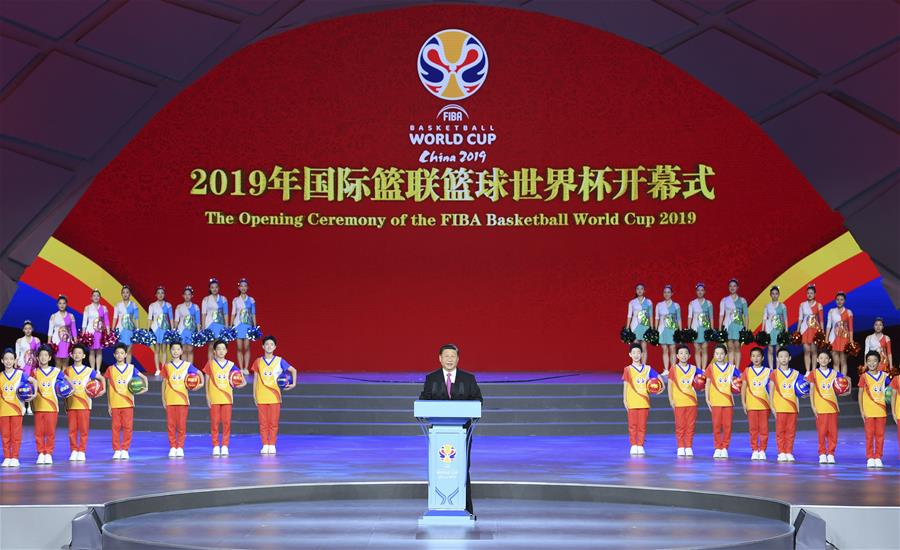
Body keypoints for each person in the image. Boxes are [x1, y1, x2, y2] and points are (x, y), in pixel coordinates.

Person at [419, 344, 482, 517]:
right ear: (440, 358)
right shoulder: (431, 378)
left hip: (462, 433)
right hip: (438, 434)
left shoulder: (468, 378)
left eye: (452, 356)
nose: (449, 359)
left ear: (457, 359)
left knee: (462, 469)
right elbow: (423, 401)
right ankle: (438, 506)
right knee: (440, 468)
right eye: (446, 356)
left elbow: (478, 401)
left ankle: (466, 509)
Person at [249, 336, 296, 455]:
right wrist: (254, 394)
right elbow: (255, 379)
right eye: (267, 344)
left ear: (275, 347)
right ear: (263, 346)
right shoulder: (258, 361)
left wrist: (293, 383)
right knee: (263, 423)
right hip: (261, 396)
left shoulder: (280, 361)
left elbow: (293, 370)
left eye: (271, 344)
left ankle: (272, 444)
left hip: (275, 396)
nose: (269, 346)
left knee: (273, 423)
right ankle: (265, 444)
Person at [104, 343, 149, 460]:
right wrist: (109, 404)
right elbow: (109, 387)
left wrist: (145, 388)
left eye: (122, 353)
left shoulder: (131, 368)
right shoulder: (110, 369)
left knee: (128, 427)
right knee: (115, 427)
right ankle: (116, 450)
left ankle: (125, 449)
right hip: (115, 403)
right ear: (114, 355)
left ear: (125, 355)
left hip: (128, 403)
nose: (119, 355)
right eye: (117, 353)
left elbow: (144, 377)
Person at [160, 342, 203, 458]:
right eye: (173, 349)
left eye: (178, 349)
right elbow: (164, 383)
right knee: (171, 425)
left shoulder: (187, 365)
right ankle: (172, 447)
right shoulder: (167, 366)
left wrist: (200, 384)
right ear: (170, 351)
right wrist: (163, 399)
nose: (175, 351)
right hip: (170, 400)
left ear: (181, 351)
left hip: (183, 400)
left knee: (181, 425)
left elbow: (199, 373)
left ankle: (180, 447)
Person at [203, 339, 245, 456]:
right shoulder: (210, 364)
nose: (221, 351)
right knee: (215, 423)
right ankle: (216, 446)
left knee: (226, 423)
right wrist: (207, 396)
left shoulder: (231, 365)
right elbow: (206, 381)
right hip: (214, 398)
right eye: (218, 349)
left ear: (226, 351)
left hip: (227, 398)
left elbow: (243, 381)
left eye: (223, 349)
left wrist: (235, 384)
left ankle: (225, 445)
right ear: (214, 351)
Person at [65, 343, 105, 461]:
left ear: (83, 356)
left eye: (79, 353)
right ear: (71, 355)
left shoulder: (89, 370)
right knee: (72, 430)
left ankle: (81, 450)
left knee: (83, 429)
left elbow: (101, 378)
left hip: (85, 404)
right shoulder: (67, 371)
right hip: (71, 404)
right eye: (75, 353)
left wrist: (103, 390)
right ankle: (73, 450)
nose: (77, 355)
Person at [806, 351, 847, 464]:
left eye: (826, 358)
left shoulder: (835, 373)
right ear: (817, 360)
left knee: (833, 433)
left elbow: (844, 384)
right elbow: (811, 391)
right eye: (821, 358)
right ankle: (822, 453)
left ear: (830, 360)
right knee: (821, 433)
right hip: (820, 408)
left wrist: (845, 389)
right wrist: (813, 406)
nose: (823, 360)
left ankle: (831, 454)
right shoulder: (813, 374)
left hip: (832, 408)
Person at [622, 342, 661, 456]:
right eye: (633, 353)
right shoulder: (627, 369)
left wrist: (659, 389)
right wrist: (624, 399)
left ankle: (640, 445)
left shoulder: (647, 369)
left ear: (642, 354)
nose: (636, 355)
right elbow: (625, 385)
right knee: (633, 425)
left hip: (644, 401)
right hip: (632, 401)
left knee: (642, 425)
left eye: (638, 352)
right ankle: (634, 445)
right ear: (630, 354)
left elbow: (658, 378)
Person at [32, 345, 69, 464]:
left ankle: (48, 453)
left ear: (49, 358)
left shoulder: (56, 371)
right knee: (38, 432)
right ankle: (40, 453)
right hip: (38, 406)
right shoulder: (34, 372)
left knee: (50, 432)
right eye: (41, 355)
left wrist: (69, 391)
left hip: (52, 407)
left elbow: (68, 381)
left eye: (45, 355)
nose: (43, 358)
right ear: (37, 358)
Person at [1, 348, 36, 468]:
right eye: (6, 359)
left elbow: (33, 381)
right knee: (5, 435)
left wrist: (34, 394)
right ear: (2, 361)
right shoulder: (0, 376)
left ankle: (15, 457)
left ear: (15, 360)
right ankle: (7, 457)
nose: (8, 361)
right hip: (3, 411)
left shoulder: (20, 374)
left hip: (17, 410)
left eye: (11, 359)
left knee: (16, 435)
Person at [705, 344, 738, 459]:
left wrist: (736, 384)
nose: (719, 356)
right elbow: (708, 383)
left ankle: (725, 448)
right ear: (714, 355)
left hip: (728, 401)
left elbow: (741, 379)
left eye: (721, 353)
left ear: (725, 355)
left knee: (727, 426)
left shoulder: (731, 368)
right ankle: (717, 447)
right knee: (716, 426)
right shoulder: (711, 367)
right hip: (715, 401)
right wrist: (707, 398)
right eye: (717, 353)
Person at [667, 344, 698, 457]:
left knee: (690, 425)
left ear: (689, 355)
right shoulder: (673, 369)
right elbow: (670, 385)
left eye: (686, 353)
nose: (683, 355)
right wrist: (671, 399)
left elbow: (704, 379)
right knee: (680, 426)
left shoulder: (694, 369)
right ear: (677, 356)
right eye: (681, 353)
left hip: (691, 402)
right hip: (679, 402)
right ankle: (680, 446)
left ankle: (689, 447)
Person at [769, 348, 800, 462]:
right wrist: (772, 406)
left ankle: (789, 452)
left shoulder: (796, 374)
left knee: (791, 431)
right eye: (781, 356)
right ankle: (781, 452)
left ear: (790, 358)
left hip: (792, 407)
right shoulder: (774, 374)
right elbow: (771, 391)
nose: (783, 359)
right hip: (780, 407)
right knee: (780, 431)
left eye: (785, 356)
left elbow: (802, 389)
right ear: (777, 358)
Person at [858, 351, 887, 468]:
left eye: (874, 361)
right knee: (869, 435)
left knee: (880, 435)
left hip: (881, 411)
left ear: (879, 362)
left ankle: (878, 457)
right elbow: (860, 394)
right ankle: (870, 457)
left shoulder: (884, 376)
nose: (872, 363)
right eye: (869, 361)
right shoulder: (863, 377)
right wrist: (862, 410)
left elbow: (891, 391)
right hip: (868, 411)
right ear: (866, 362)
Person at [742, 348, 771, 460]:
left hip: (764, 405)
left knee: (764, 429)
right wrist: (744, 403)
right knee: (753, 429)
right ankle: (754, 449)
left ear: (762, 358)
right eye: (753, 356)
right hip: (752, 405)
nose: (756, 358)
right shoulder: (747, 371)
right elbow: (744, 388)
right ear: (750, 358)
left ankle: (762, 450)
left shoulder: (768, 371)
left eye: (758, 356)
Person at [719, 279, 748, 367]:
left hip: (738, 327)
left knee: (737, 348)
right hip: (728, 326)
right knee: (730, 348)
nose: (732, 288)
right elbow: (721, 315)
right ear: (728, 288)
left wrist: (745, 329)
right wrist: (720, 329)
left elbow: (746, 315)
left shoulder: (742, 300)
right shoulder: (724, 300)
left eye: (734, 286)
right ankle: (731, 368)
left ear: (737, 287)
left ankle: (737, 370)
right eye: (730, 286)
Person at [232, 278, 257, 375]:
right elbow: (233, 313)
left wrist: (254, 326)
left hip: (247, 326)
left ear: (247, 287)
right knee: (239, 347)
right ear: (239, 287)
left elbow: (253, 314)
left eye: (245, 286)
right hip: (238, 325)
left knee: (246, 347)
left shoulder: (251, 300)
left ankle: (246, 368)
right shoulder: (235, 300)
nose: (243, 288)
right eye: (241, 286)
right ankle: (241, 367)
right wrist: (231, 325)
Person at [14, 320, 40, 415]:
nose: (28, 330)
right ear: (23, 330)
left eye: (29, 328)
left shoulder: (36, 340)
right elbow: (17, 354)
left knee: (31, 386)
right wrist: (15, 364)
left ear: (32, 329)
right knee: (22, 386)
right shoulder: (19, 341)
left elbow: (38, 354)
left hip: (32, 365)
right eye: (26, 329)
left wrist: (39, 365)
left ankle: (29, 407)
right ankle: (21, 406)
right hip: (22, 365)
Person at [81, 289, 110, 372]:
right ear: (91, 297)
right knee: (91, 351)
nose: (96, 297)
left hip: (100, 332)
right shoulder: (87, 308)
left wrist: (108, 331)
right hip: (90, 332)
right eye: (94, 296)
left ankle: (98, 369)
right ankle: (92, 369)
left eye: (97, 295)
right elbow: (84, 321)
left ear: (100, 297)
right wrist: (83, 332)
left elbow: (106, 321)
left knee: (99, 351)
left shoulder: (104, 308)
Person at [687, 283, 714, 374]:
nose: (700, 292)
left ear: (704, 291)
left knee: (704, 348)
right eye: (698, 290)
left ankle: (703, 369)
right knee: (697, 349)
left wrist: (712, 329)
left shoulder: (709, 303)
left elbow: (711, 317)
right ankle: (698, 369)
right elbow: (689, 317)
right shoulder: (692, 303)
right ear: (696, 292)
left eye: (702, 290)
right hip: (695, 329)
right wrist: (689, 329)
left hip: (705, 329)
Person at [148, 286, 174, 376]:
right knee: (157, 350)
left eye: (162, 293)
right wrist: (148, 330)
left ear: (164, 294)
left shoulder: (168, 305)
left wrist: (172, 329)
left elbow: (171, 318)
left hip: (165, 329)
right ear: (156, 295)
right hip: (155, 329)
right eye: (158, 293)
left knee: (164, 349)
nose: (160, 295)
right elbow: (150, 319)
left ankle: (163, 368)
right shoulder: (152, 305)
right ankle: (157, 369)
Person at [797, 284, 823, 374]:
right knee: (806, 351)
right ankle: (808, 371)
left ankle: (814, 370)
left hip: (815, 330)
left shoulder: (819, 305)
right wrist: (798, 330)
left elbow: (821, 320)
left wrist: (821, 332)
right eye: (808, 293)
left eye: (811, 293)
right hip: (804, 329)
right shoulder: (802, 305)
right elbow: (800, 318)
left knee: (814, 351)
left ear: (815, 294)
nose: (809, 295)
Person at [826, 292, 853, 376]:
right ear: (835, 300)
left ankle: (843, 380)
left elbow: (851, 328)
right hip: (833, 338)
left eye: (841, 300)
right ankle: (836, 381)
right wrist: (826, 339)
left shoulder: (849, 312)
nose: (839, 301)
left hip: (844, 339)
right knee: (836, 361)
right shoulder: (831, 311)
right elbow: (828, 326)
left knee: (843, 361)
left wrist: (851, 340)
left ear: (844, 300)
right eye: (837, 300)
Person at [655, 285, 681, 373]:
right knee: (665, 349)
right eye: (665, 292)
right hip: (662, 330)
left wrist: (680, 331)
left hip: (672, 330)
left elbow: (679, 319)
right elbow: (657, 318)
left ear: (672, 293)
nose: (667, 294)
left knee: (673, 349)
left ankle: (673, 369)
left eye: (668, 292)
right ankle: (666, 370)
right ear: (663, 294)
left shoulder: (676, 305)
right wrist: (655, 331)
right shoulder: (659, 305)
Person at [48, 295, 78, 370]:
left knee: (65, 363)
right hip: (56, 342)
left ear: (66, 304)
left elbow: (73, 329)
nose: (62, 305)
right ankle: (58, 380)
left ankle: (64, 380)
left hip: (67, 342)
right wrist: (49, 341)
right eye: (60, 303)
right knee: (57, 362)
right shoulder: (53, 316)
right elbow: (50, 330)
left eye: (63, 303)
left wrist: (75, 339)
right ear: (57, 304)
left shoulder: (71, 316)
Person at [113, 284, 140, 364]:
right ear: (121, 294)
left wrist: (137, 330)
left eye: (127, 292)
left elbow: (136, 319)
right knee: (120, 350)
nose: (125, 294)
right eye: (123, 292)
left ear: (130, 294)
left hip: (130, 330)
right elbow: (115, 318)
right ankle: (120, 367)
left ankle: (128, 368)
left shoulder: (134, 305)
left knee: (129, 350)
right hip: (120, 330)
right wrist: (113, 329)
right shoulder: (118, 305)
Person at [202, 278, 228, 361]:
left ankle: (219, 366)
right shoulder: (206, 299)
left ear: (218, 288)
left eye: (216, 287)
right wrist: (203, 327)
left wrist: (226, 325)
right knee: (210, 346)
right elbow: (203, 314)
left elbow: (225, 313)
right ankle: (209, 367)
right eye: (212, 287)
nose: (214, 289)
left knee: (219, 346)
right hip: (209, 324)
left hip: (220, 324)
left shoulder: (223, 299)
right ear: (210, 288)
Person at [626, 283, 653, 363]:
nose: (639, 290)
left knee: (644, 348)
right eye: (638, 289)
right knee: (635, 348)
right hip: (634, 327)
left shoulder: (649, 302)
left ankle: (644, 367)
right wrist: (627, 327)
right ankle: (635, 367)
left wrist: (651, 328)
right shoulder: (632, 302)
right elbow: (629, 315)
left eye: (641, 289)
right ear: (636, 291)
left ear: (644, 291)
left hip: (645, 327)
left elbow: (651, 315)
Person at [174, 286, 201, 364]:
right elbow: (176, 320)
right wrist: (174, 331)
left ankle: (190, 369)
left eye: (189, 294)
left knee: (190, 350)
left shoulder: (195, 307)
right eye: (185, 294)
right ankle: (184, 369)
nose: (187, 296)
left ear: (192, 296)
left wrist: (198, 332)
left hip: (191, 331)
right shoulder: (179, 307)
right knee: (183, 350)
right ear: (183, 296)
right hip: (181, 330)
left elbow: (198, 321)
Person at [762, 286, 788, 368]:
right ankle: (771, 368)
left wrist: (786, 330)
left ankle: (778, 368)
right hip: (769, 329)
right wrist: (763, 330)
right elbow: (764, 318)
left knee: (778, 349)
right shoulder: (767, 306)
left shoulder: (782, 306)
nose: (774, 295)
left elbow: (785, 318)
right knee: (770, 349)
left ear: (779, 294)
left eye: (776, 294)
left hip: (779, 329)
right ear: (770, 295)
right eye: (773, 294)